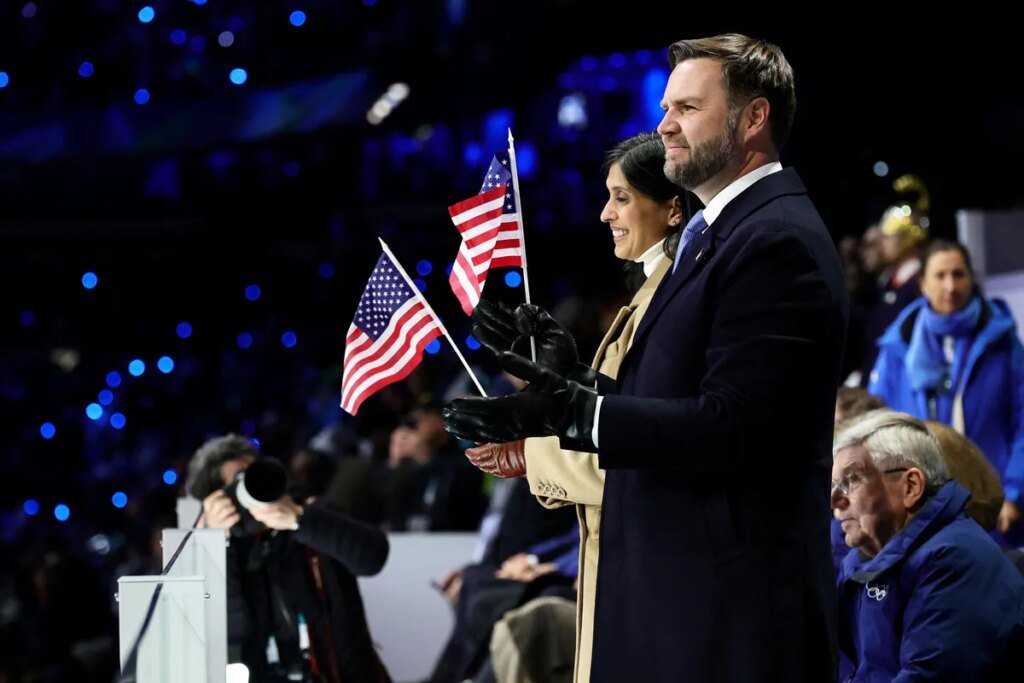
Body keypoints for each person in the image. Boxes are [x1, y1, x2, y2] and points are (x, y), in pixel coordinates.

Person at [444, 34, 847, 682]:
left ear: (754, 117)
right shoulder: (721, 234)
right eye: (666, 109)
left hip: (728, 621)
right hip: (684, 604)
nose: (664, 126)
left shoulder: (776, 241)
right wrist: (572, 378)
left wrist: (578, 413)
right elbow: (669, 398)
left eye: (687, 108)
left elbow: (737, 427)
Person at [464, 130, 686, 683]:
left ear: (673, 208)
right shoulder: (650, 294)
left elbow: (651, 445)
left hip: (651, 566)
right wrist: (567, 375)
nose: (605, 213)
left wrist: (530, 456)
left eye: (622, 197)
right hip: (624, 562)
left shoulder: (676, 299)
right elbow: (625, 412)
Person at [831, 411, 1024, 680]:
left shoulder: (954, 559)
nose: (834, 500)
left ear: (910, 487)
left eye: (851, 480)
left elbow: (926, 675)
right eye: (834, 485)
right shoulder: (859, 561)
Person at [186, 434, 391, 683]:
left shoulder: (311, 514)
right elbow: (229, 629)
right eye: (241, 481)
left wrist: (299, 520)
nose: (255, 485)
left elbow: (374, 557)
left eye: (257, 472)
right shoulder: (213, 550)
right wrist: (216, 545)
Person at [869, 239, 1024, 541]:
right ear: (923, 283)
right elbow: (877, 426)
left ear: (971, 278)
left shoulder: (1002, 340)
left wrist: (1014, 492)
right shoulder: (898, 344)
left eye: (958, 274)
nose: (950, 286)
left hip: (994, 507)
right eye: (940, 276)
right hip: (919, 512)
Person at [855, 174, 930, 384]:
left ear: (907, 238)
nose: (882, 244)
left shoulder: (920, 285)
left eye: (889, 237)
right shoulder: (889, 283)